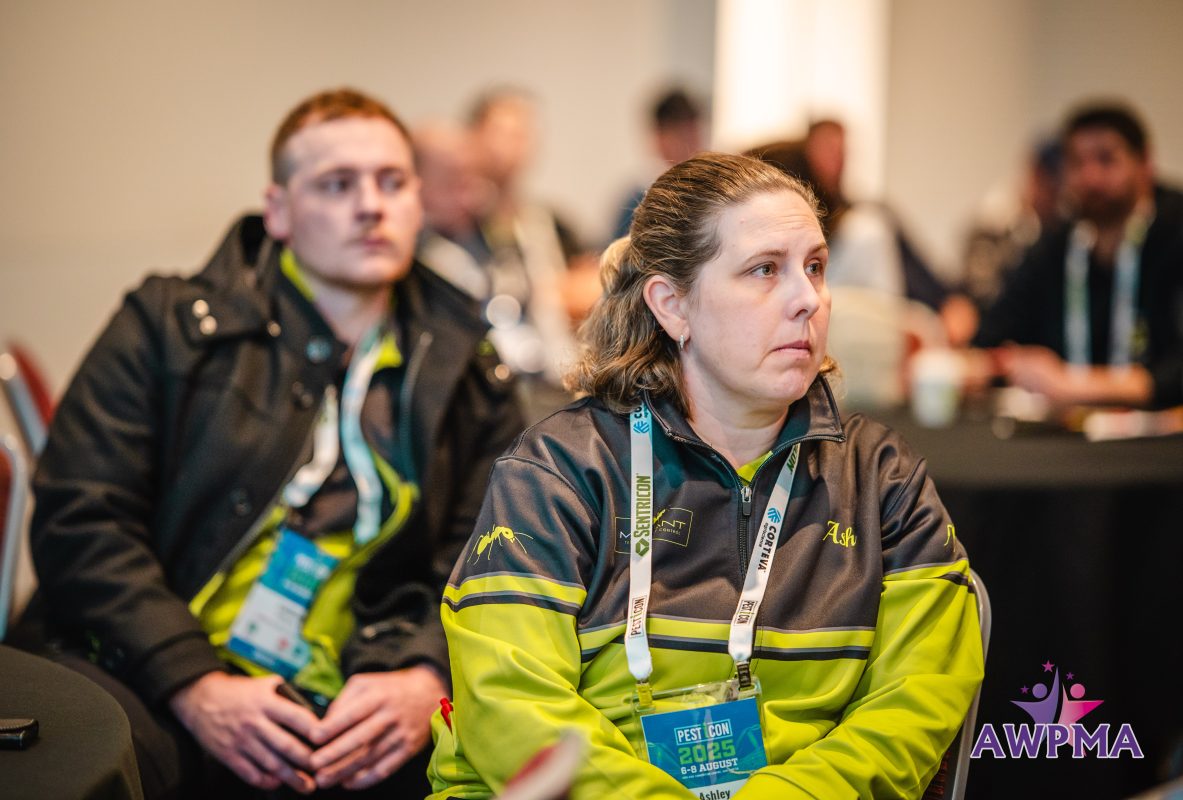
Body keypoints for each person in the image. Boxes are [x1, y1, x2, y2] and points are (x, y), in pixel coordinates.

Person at [16, 88, 523, 798]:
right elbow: (81, 520)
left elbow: (490, 552)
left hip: (366, 688)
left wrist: (425, 671)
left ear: (418, 202)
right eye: (336, 184)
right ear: (278, 210)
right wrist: (192, 682)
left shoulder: (472, 362)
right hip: (150, 668)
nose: (370, 206)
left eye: (392, 182)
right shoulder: (168, 325)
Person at [428, 153, 984, 798]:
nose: (808, 299)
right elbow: (513, 707)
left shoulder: (882, 479)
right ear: (672, 306)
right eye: (764, 270)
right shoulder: (561, 468)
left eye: (815, 267)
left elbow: (914, 703)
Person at [972, 102, 1183, 408]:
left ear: (1145, 162)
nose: (1090, 177)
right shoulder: (1057, 244)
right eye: (1076, 162)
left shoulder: (1175, 232)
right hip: (1072, 431)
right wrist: (1006, 363)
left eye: (1106, 159)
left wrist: (1074, 384)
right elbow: (991, 335)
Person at [611, 87, 707, 241]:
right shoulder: (637, 198)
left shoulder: (710, 190)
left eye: (693, 132)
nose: (689, 143)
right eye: (680, 134)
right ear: (658, 137)